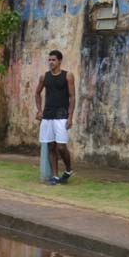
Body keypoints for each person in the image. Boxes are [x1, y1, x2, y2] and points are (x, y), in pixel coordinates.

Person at [33, 49, 76, 185]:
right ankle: (55, 176)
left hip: (62, 115)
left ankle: (68, 170)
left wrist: (70, 117)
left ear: (59, 61)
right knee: (51, 145)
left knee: (61, 146)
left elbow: (72, 97)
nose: (51, 62)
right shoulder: (44, 77)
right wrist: (39, 110)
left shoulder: (68, 76)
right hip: (48, 115)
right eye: (49, 60)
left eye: (53, 60)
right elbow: (37, 93)